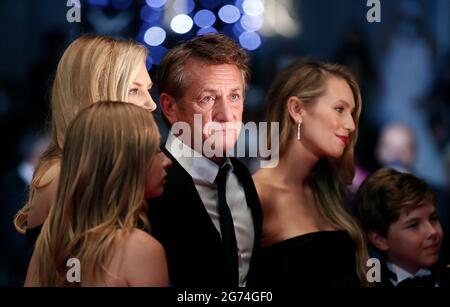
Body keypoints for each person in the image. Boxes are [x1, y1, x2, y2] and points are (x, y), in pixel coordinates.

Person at [14, 35, 157, 245]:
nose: (151, 104)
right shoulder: (62, 178)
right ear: (95, 95)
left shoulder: (122, 167)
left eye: (149, 89)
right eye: (134, 90)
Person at [147, 34, 262, 287]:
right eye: (207, 99)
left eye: (234, 96)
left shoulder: (241, 177)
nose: (226, 115)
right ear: (169, 107)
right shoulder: (149, 185)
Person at [24, 101, 171, 286]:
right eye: (155, 150)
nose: (166, 161)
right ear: (123, 165)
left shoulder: (48, 246)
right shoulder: (141, 250)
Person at [253, 58, 368, 287]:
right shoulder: (257, 195)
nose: (351, 125)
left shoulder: (330, 191)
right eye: (339, 109)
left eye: (351, 112)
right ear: (297, 110)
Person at [354, 168, 449, 287]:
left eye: (433, 218)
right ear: (380, 240)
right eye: (414, 225)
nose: (433, 231)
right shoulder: (368, 282)